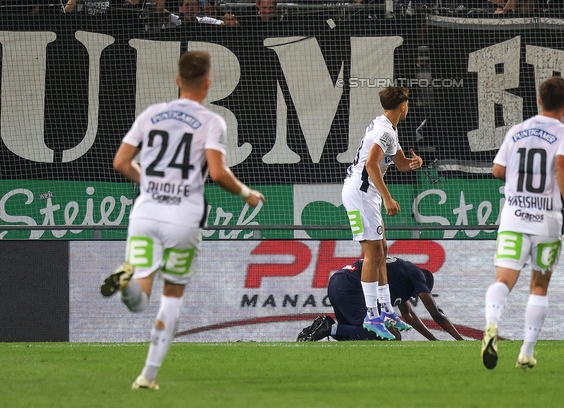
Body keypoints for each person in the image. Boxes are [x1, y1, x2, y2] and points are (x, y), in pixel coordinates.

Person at [103, 50, 264, 390]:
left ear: (178, 80)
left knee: (139, 297)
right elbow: (218, 173)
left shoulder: (151, 115)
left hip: (145, 213)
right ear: (207, 84)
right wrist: (246, 193)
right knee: (172, 296)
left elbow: (120, 163)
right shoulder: (211, 122)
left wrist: (147, 181)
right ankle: (147, 376)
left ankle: (125, 283)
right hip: (184, 217)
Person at [481, 76, 564, 370]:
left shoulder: (516, 131)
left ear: (538, 100)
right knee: (539, 286)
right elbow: (562, 164)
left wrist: (518, 176)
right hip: (547, 221)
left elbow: (497, 169)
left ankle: (491, 326)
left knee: (503, 280)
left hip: (513, 218)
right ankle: (526, 351)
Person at [340, 85, 423, 340]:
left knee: (381, 251)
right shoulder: (385, 131)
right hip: (361, 194)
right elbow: (370, 163)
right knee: (372, 255)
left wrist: (413, 164)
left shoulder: (387, 127)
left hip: (365, 195)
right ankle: (371, 315)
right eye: (407, 102)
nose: (408, 106)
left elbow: (399, 165)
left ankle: (386, 309)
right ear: (403, 105)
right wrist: (388, 197)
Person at [298, 257, 465, 342]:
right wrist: (459, 340)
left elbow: (409, 315)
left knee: (350, 334)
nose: (418, 296)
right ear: (422, 284)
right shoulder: (415, 274)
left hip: (339, 281)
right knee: (391, 336)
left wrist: (434, 341)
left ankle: (323, 328)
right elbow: (436, 313)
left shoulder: (401, 276)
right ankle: (329, 328)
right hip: (350, 286)